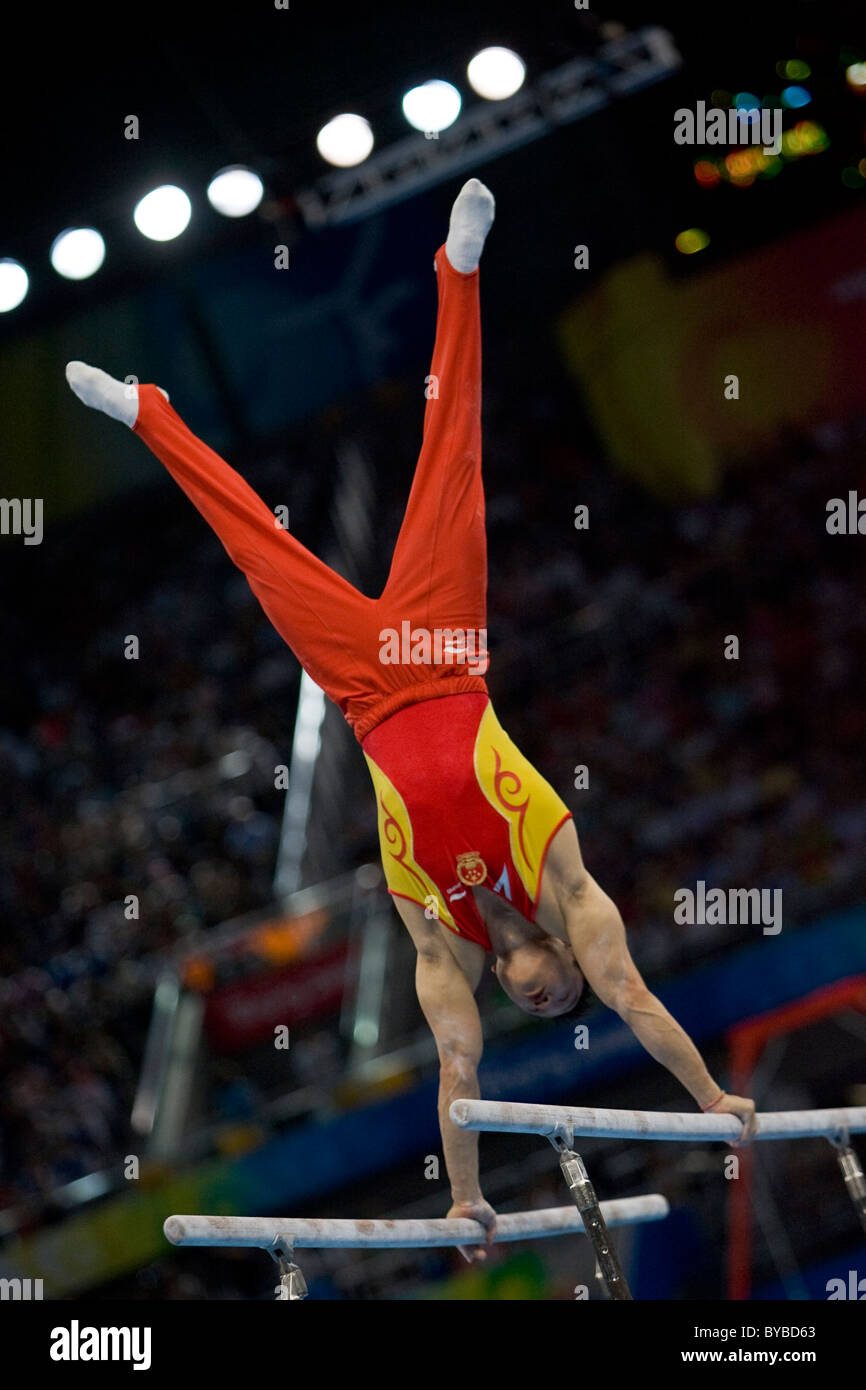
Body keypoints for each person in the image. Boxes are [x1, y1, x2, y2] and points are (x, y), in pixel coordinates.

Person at [66, 178, 756, 1261]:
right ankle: (459, 269)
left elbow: (460, 1077)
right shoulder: (569, 891)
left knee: (257, 547)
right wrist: (714, 1094)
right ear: (563, 969)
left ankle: (148, 412)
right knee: (454, 458)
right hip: (445, 655)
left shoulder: (437, 940)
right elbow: (630, 994)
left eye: (528, 1000)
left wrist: (464, 1198)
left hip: (361, 690)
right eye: (555, 993)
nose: (542, 991)